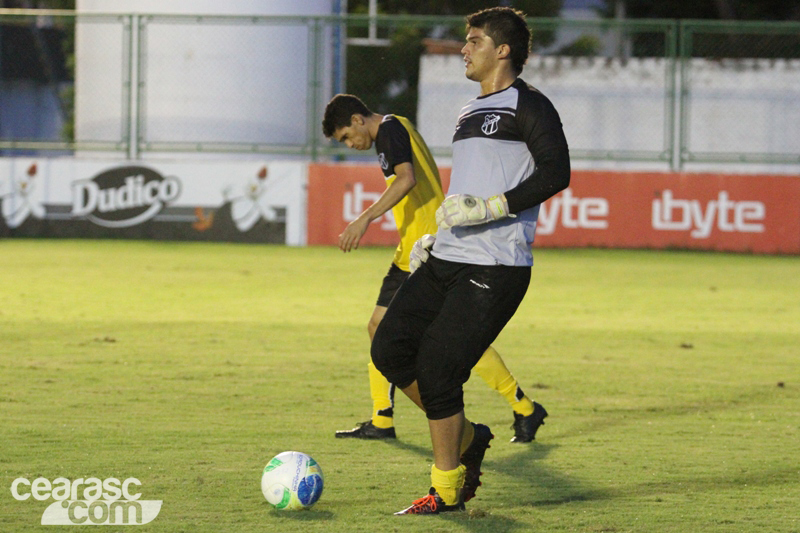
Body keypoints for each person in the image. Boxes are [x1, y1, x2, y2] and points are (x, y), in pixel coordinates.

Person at [370, 7, 571, 515]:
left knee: (438, 369)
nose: (464, 48)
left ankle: (447, 490)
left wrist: (494, 206)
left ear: (502, 50)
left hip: (495, 267)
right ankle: (468, 438)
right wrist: (437, 236)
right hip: (448, 256)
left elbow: (557, 172)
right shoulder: (466, 110)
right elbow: (468, 185)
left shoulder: (531, 105)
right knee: (389, 349)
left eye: (474, 40)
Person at [321, 93, 547, 445]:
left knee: (449, 340)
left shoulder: (391, 129)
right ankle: (382, 418)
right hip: (408, 248)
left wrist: (364, 218)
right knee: (379, 327)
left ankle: (522, 406)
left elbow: (406, 178)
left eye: (347, 137)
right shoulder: (393, 131)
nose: (351, 144)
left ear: (357, 119)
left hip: (427, 248)